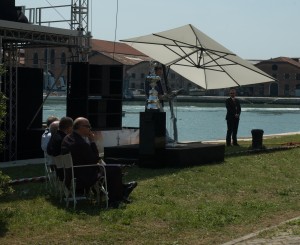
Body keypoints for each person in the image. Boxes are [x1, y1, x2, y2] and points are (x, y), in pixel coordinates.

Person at [61, 117, 137, 206]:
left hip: (74, 173)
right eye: (88, 126)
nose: (90, 128)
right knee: (115, 169)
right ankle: (115, 199)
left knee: (112, 168)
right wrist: (92, 141)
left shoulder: (68, 138)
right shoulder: (80, 143)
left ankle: (122, 191)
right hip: (84, 175)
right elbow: (95, 158)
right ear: (80, 127)